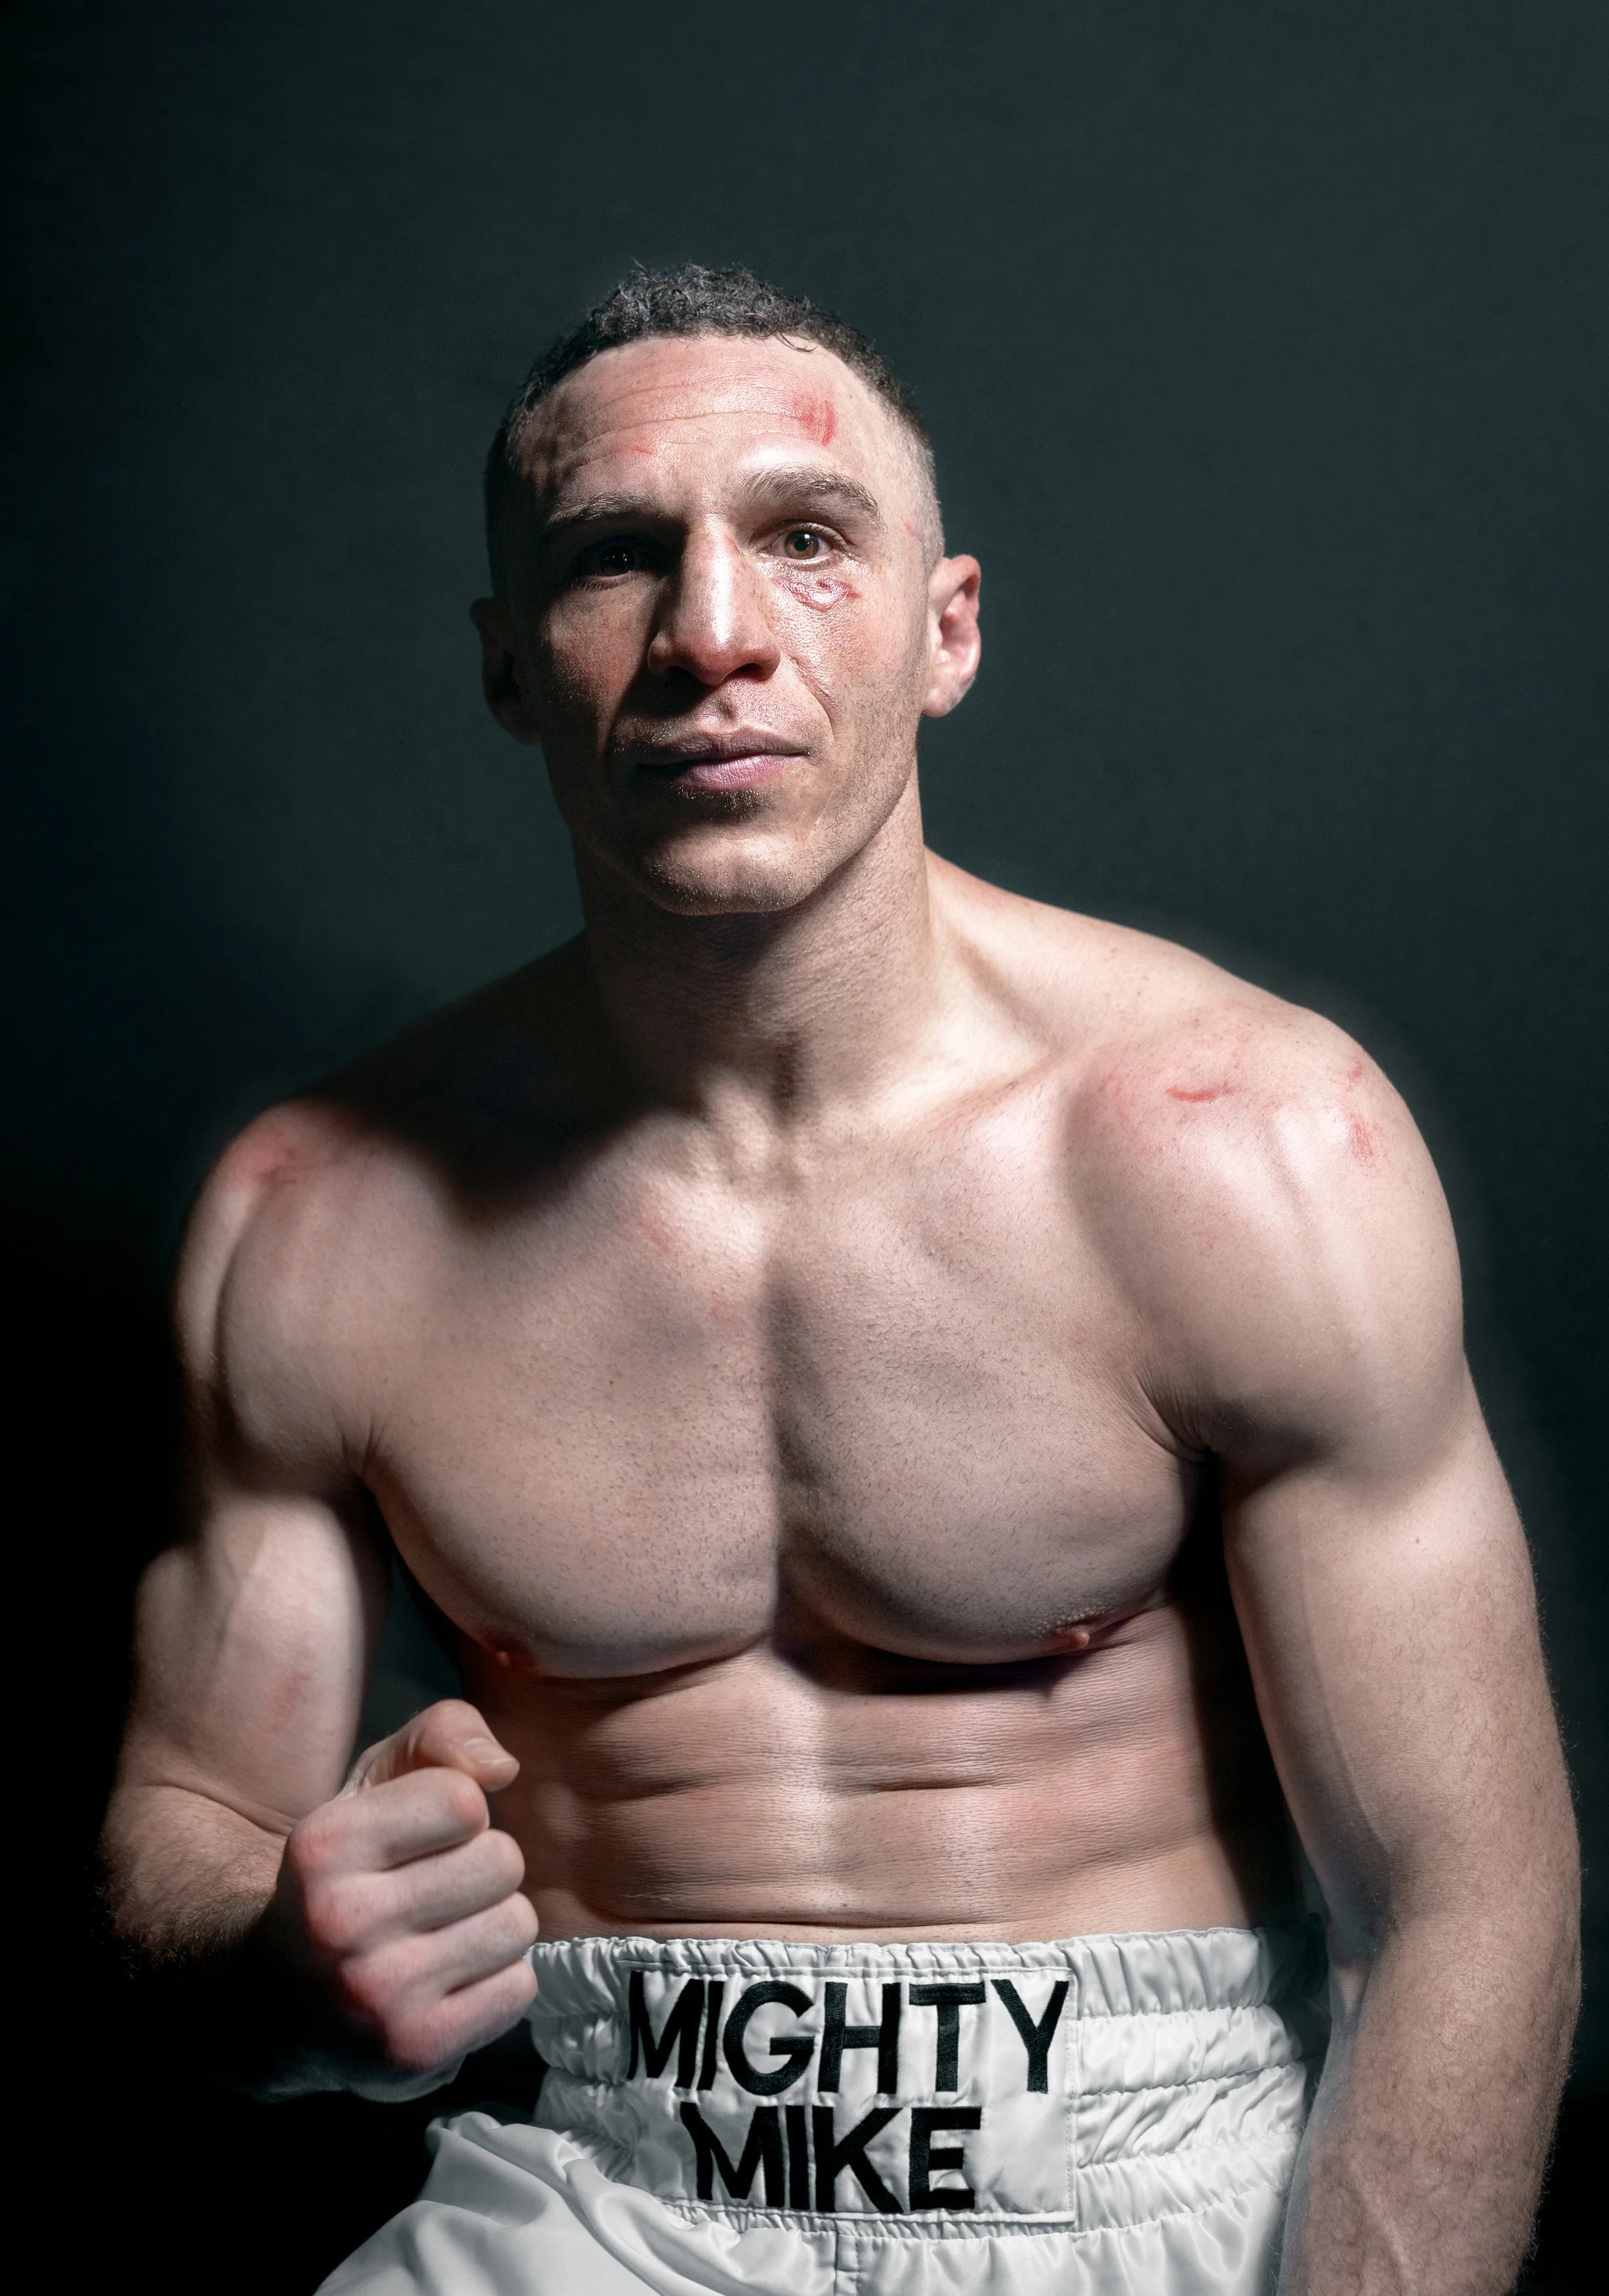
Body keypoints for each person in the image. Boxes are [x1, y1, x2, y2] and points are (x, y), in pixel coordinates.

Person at [104, 266, 1578, 2295]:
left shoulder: (1240, 1143)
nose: (712, 635)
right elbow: (179, 1815)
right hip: (599, 2198)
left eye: (803, 541)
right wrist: (269, 1962)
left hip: (1156, 2193)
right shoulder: (317, 1220)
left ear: (942, 628)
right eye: (617, 557)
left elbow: (1463, 1900)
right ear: (508, 663)